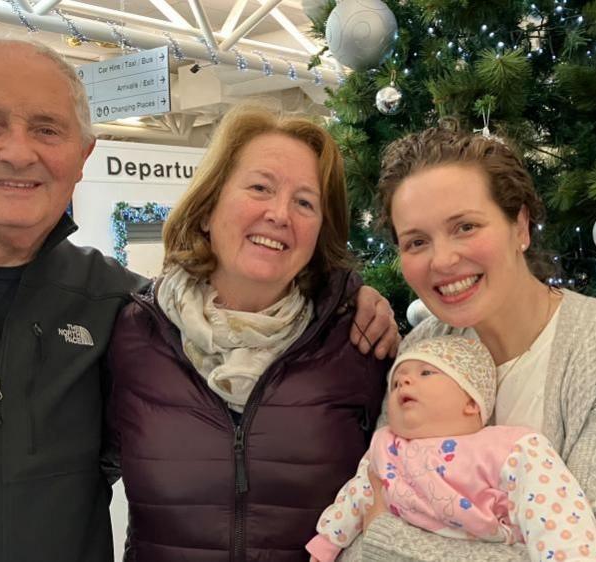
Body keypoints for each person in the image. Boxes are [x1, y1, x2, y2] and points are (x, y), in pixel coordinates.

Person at [0, 32, 400, 562]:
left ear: (82, 155)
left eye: (46, 129)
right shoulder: (138, 323)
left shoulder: (116, 303)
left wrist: (358, 295)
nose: (18, 151)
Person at [339, 126, 596, 562]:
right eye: (417, 241)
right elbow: (355, 532)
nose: (442, 260)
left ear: (519, 225)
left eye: (465, 226)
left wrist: (388, 537)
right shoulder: (421, 348)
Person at [106, 105, 392, 561]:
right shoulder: (134, 335)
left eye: (305, 202)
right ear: (207, 209)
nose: (280, 214)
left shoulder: (356, 342)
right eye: (260, 188)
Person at [307, 335, 596, 562]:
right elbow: (357, 498)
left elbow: (555, 513)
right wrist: (325, 546)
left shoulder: (510, 447)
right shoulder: (385, 447)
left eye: (426, 373)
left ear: (472, 401)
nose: (404, 381)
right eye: (397, 382)